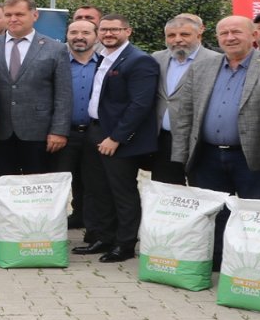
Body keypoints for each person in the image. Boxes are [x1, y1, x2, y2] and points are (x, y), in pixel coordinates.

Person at [171, 16, 260, 265]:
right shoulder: (203, 66)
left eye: (236, 32)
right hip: (207, 155)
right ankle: (215, 259)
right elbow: (185, 113)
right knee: (213, 212)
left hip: (252, 156)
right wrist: (180, 156)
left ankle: (248, 263)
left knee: (252, 213)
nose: (230, 38)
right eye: (223, 33)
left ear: (253, 35)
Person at [0, 0, 71, 253]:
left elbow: (63, 93)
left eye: (19, 14)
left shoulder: (55, 48)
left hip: (38, 132)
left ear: (34, 15)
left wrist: (59, 130)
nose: (13, 19)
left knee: (35, 188)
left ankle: (33, 234)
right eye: (8, 15)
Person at [73, 14, 159, 263]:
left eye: (115, 30)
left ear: (128, 31)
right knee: (97, 189)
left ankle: (125, 244)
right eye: (104, 30)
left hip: (117, 137)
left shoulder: (139, 60)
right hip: (95, 130)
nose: (108, 34)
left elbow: (140, 105)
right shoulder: (104, 57)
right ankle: (103, 237)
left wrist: (117, 137)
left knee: (122, 192)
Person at [151, 15, 219, 184]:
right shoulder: (157, 58)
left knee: (202, 192)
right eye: (171, 35)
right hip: (164, 141)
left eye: (185, 34)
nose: (178, 40)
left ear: (199, 36)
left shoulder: (216, 61)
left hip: (198, 141)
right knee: (166, 193)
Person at [52, 20, 100, 232]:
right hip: (64, 133)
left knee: (93, 184)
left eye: (85, 32)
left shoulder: (106, 63)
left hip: (95, 133)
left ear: (96, 37)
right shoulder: (56, 62)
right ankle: (52, 228)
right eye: (73, 32)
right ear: (66, 35)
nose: (79, 36)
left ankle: (93, 230)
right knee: (59, 183)